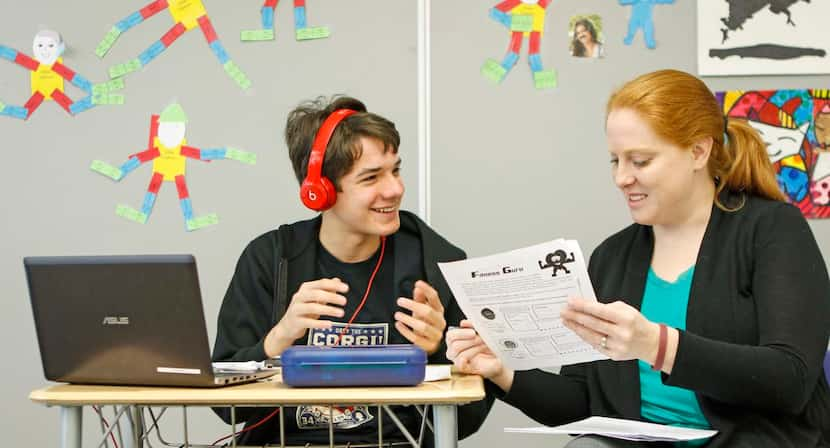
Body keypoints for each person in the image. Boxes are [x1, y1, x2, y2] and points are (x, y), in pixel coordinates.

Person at [447, 69, 830, 447]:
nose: (622, 178)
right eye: (616, 160)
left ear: (699, 151)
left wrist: (657, 345)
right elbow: (586, 403)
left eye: (640, 161)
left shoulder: (771, 230)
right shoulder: (612, 257)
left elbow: (790, 379)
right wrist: (501, 372)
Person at [212, 96, 492, 446]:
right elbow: (226, 408)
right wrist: (278, 339)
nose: (395, 189)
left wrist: (435, 352)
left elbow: (466, 421)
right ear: (320, 191)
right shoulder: (270, 258)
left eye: (396, 170)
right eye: (371, 177)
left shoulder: (435, 263)